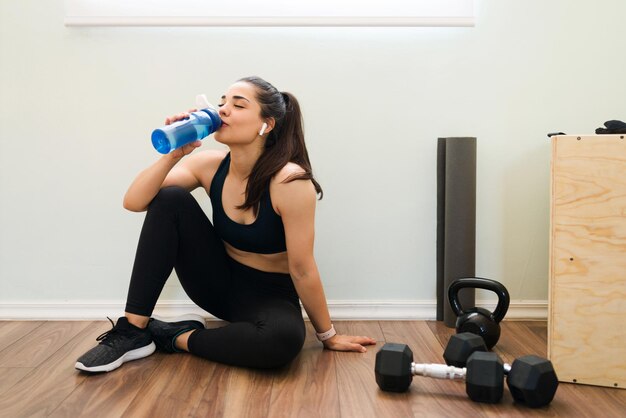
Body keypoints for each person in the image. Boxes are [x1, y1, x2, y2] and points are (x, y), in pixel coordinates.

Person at [75, 76, 376, 372]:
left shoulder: (290, 180)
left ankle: (174, 336)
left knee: (282, 340)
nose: (223, 110)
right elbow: (135, 202)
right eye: (221, 103)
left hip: (268, 294)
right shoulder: (208, 165)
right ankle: (133, 330)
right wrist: (175, 154)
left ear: (266, 124)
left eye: (238, 105)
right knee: (169, 198)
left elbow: (301, 268)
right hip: (215, 282)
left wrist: (328, 336)